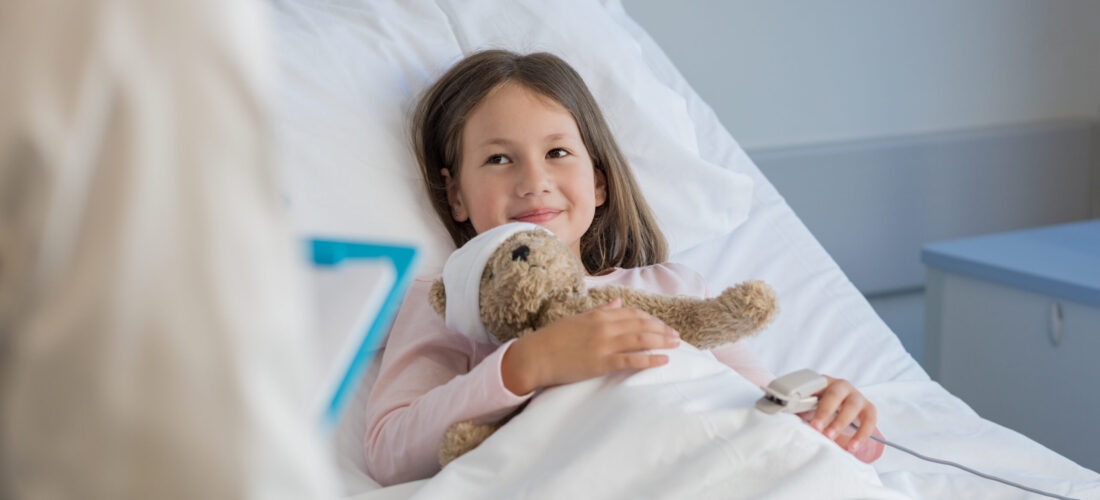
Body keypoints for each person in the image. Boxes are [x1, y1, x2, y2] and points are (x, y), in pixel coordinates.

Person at [363, 50, 882, 487]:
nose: (534, 180)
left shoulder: (672, 287)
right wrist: (524, 366)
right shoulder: (452, 299)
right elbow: (390, 451)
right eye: (499, 159)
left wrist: (833, 415)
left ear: (600, 182)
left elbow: (755, 405)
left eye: (558, 152)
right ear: (455, 195)